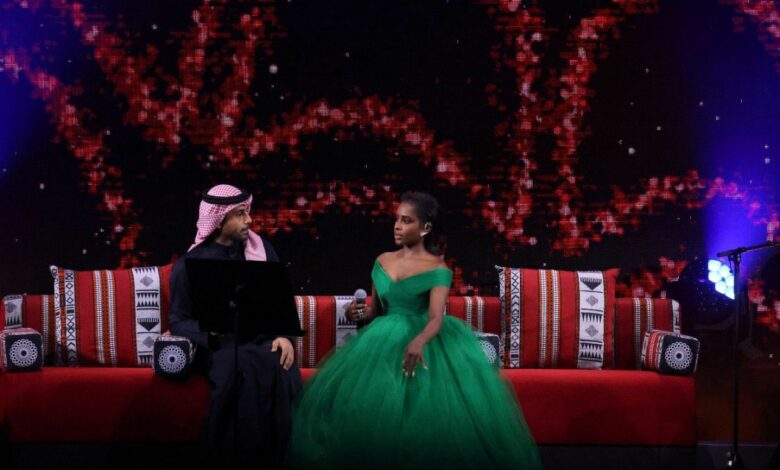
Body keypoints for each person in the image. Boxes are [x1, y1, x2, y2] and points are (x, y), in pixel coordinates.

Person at [288, 191, 541, 469]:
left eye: (406, 220)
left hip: (426, 342)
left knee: (425, 418)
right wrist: (357, 313)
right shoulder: (382, 261)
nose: (397, 226)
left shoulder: (438, 268)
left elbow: (435, 318)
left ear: (425, 227)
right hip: (380, 344)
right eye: (397, 219)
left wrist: (419, 341)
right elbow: (376, 311)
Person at [168, 184, 302, 465]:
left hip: (263, 340)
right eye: (240, 214)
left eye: (248, 212)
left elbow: (280, 303)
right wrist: (211, 335)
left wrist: (284, 336)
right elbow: (179, 321)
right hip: (219, 346)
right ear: (218, 220)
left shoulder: (261, 251)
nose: (249, 220)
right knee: (239, 365)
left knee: (280, 364)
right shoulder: (190, 264)